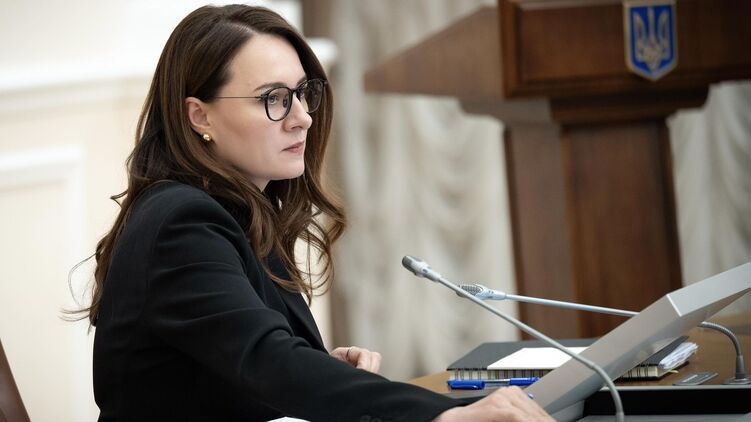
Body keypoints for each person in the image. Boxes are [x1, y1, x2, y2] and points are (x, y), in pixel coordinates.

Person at [79, 4, 553, 421]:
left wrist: (322, 369)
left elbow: (236, 365)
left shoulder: (240, 209)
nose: (302, 116)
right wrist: (442, 416)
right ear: (199, 116)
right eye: (273, 98)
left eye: (303, 92)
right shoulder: (182, 223)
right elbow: (267, 361)